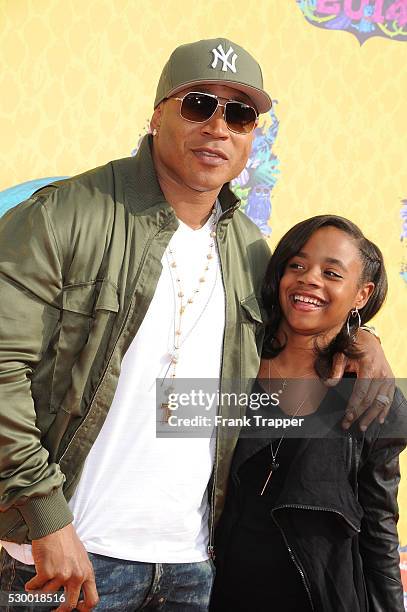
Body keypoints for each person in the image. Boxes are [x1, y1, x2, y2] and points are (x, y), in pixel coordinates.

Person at [0, 38, 394, 612]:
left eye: (238, 114)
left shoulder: (250, 250)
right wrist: (46, 518)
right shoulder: (63, 215)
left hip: (193, 568)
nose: (218, 126)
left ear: (252, 137)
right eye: (198, 104)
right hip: (60, 556)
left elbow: (298, 330)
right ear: (158, 112)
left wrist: (362, 338)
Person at [210, 215, 406, 612]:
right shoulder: (231, 359)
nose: (309, 279)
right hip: (211, 593)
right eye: (296, 265)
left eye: (331, 272)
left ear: (361, 295)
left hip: (321, 600)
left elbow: (379, 527)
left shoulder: (370, 395)